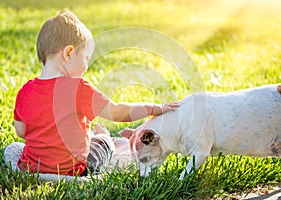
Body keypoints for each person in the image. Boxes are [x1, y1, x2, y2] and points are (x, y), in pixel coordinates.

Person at [13, 9, 179, 176]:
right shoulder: (78, 88)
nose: (87, 66)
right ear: (68, 53)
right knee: (104, 142)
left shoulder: (24, 92)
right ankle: (104, 137)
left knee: (14, 149)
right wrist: (152, 108)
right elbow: (117, 112)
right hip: (73, 170)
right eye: (86, 58)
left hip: (31, 167)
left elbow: (21, 131)